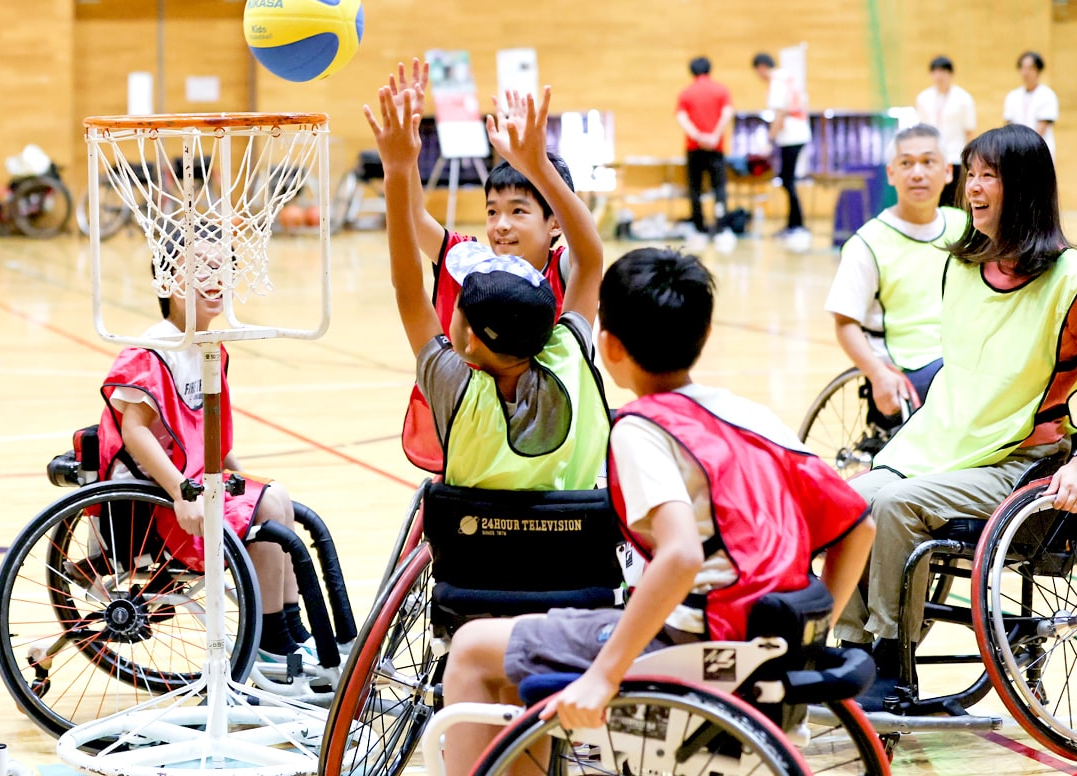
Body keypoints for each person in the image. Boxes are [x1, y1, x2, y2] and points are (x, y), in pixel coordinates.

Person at [438, 248, 876, 772]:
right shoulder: (749, 414)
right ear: (702, 335)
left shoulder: (643, 426)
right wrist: (808, 638)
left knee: (470, 647)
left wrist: (605, 674)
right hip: (763, 642)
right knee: (517, 664)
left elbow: (681, 555)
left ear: (609, 344)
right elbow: (860, 525)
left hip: (694, 642)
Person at [834, 124, 1077, 704]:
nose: (972, 188)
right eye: (969, 174)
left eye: (987, 176)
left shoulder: (1076, 282)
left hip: (1021, 458)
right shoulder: (963, 265)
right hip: (945, 442)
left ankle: (890, 660)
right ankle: (847, 652)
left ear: (1021, 187)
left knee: (896, 507)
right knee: (848, 501)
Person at [366, 77, 608, 491]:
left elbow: (407, 292)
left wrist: (398, 168)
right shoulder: (561, 352)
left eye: (517, 210)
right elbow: (593, 256)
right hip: (504, 446)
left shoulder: (563, 269)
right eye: (492, 211)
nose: (501, 224)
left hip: (478, 429)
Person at [97, 244, 313, 658]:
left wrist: (245, 480)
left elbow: (205, 435)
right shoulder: (154, 349)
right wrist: (181, 492)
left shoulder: (209, 346)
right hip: (156, 503)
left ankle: (290, 626)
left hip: (196, 485)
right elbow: (133, 431)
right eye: (202, 268)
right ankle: (270, 643)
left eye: (224, 268)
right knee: (266, 509)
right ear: (169, 280)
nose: (216, 278)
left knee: (277, 497)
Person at [825, 124, 967, 425]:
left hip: (962, 356)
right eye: (906, 163)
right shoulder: (867, 242)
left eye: (928, 162)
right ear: (891, 174)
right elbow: (845, 322)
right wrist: (877, 374)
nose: (917, 173)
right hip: (908, 367)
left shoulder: (965, 228)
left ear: (948, 172)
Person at [675, 56, 733, 236]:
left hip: (694, 148)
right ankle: (721, 226)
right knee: (719, 189)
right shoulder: (721, 90)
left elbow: (682, 118)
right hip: (715, 148)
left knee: (695, 189)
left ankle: (699, 226)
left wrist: (698, 136)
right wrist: (714, 136)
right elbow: (727, 113)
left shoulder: (686, 93)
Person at [754, 52, 809, 236]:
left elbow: (779, 116)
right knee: (788, 180)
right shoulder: (787, 78)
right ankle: (794, 223)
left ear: (762, 67)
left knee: (787, 180)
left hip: (791, 136)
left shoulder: (777, 83)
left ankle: (796, 224)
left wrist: (770, 140)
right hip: (798, 134)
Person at [913, 56, 976, 205]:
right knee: (933, 199)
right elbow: (921, 129)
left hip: (955, 156)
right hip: (932, 157)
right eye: (935, 72)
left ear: (950, 74)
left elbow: (969, 130)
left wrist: (969, 159)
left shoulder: (963, 98)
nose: (939, 76)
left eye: (943, 71)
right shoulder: (923, 98)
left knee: (954, 199)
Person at [1002, 51, 1058, 159]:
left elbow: (1041, 128)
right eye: (1023, 68)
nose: (1025, 72)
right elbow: (1008, 126)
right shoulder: (1012, 96)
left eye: (1030, 68)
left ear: (1038, 71)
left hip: (1038, 151)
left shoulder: (1047, 95)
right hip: (1016, 152)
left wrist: (1025, 150)